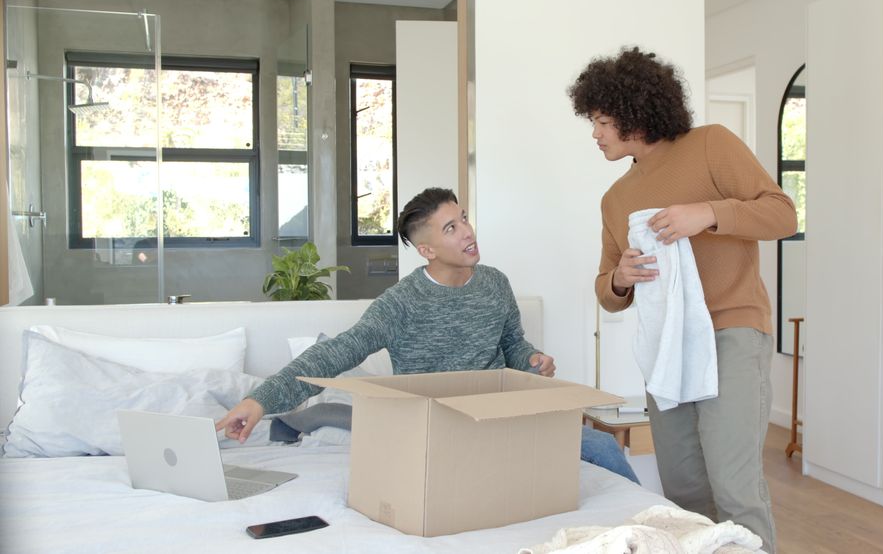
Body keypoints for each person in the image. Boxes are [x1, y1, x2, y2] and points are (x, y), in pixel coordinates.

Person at [216, 187, 638, 483]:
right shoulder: (400, 303)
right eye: (451, 228)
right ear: (428, 250)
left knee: (600, 450)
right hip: (439, 429)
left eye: (464, 219)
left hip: (503, 417)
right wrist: (261, 400)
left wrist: (532, 359)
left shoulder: (495, 283)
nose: (468, 232)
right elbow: (334, 354)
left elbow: (512, 345)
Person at [568, 47, 797, 552]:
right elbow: (608, 292)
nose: (595, 133)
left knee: (735, 486)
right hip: (666, 345)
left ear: (632, 113)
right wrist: (621, 278)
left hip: (731, 331)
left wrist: (708, 214)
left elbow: (782, 214)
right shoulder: (616, 198)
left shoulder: (711, 145)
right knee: (684, 488)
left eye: (602, 121)